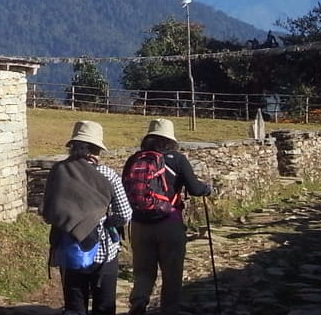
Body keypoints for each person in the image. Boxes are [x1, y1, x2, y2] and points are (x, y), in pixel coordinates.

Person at [41, 120, 132, 315]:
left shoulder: (59, 171)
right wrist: (107, 220)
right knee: (104, 307)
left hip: (69, 249)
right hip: (103, 252)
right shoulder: (108, 175)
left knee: (75, 307)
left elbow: (47, 213)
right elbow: (125, 214)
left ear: (73, 147)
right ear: (96, 150)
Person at [123, 118, 212, 315]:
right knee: (172, 272)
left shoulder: (135, 159)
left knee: (143, 270)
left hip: (139, 223)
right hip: (169, 222)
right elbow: (195, 189)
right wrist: (207, 189)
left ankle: (139, 301)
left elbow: (126, 189)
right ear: (170, 139)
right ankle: (169, 310)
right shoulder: (177, 159)